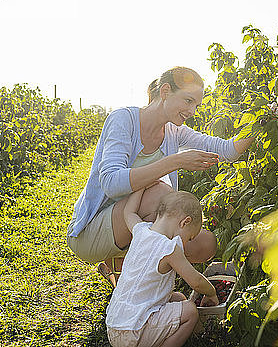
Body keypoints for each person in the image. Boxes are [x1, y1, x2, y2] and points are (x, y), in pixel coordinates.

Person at [67, 66, 254, 286]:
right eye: (187, 101)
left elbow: (226, 150)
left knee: (205, 244)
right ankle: (124, 271)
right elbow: (110, 182)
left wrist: (259, 122)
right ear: (165, 91)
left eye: (196, 104)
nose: (192, 111)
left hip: (133, 220)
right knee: (160, 195)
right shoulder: (123, 120)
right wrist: (174, 162)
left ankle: (120, 269)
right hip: (91, 233)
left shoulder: (174, 131)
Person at [105, 188, 218, 347]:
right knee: (190, 312)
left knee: (178, 298)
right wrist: (211, 292)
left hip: (114, 325)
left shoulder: (140, 230)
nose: (186, 243)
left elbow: (128, 213)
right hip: (135, 331)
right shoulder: (170, 248)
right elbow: (197, 282)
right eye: (190, 237)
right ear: (184, 222)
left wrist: (141, 187)